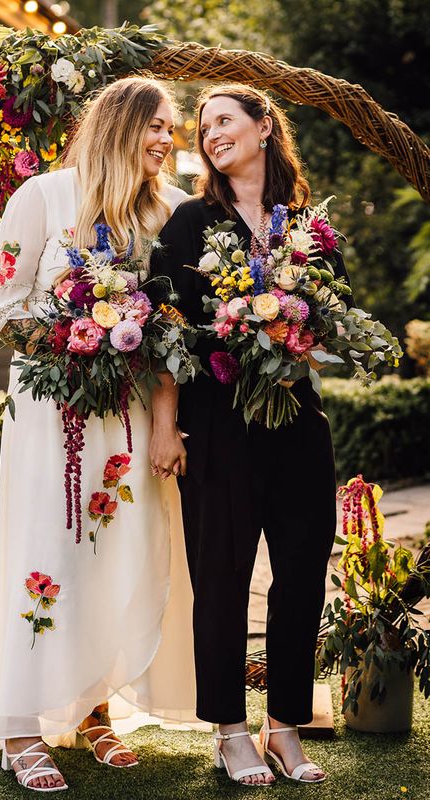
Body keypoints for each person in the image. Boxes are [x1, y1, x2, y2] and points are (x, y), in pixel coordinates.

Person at [0, 77, 196, 793]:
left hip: (127, 418)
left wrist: (161, 416)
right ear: (118, 124)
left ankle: (97, 712)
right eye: (155, 126)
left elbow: (174, 332)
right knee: (48, 552)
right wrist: (79, 338)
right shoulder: (42, 197)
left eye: (171, 129)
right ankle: (19, 726)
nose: (167, 139)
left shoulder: (170, 211)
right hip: (52, 417)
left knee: (117, 558)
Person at [149, 83, 351, 786]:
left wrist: (301, 323)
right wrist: (164, 425)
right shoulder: (186, 225)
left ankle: (284, 728)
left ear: (265, 127)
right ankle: (230, 732)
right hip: (217, 426)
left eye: (225, 120)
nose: (210, 133)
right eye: (204, 126)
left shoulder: (311, 225)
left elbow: (336, 313)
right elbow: (163, 333)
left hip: (299, 422)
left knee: (300, 577)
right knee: (222, 578)